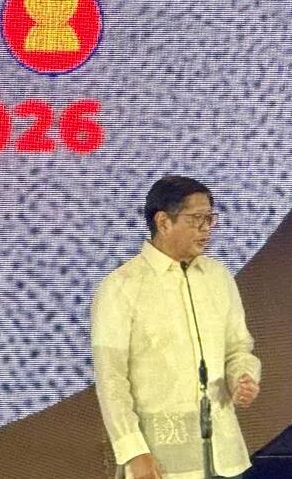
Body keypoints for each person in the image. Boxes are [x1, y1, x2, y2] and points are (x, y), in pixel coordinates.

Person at [90, 176, 261, 479]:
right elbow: (111, 380)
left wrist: (242, 376)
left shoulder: (217, 276)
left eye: (210, 218)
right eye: (197, 219)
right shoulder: (121, 286)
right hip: (160, 461)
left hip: (224, 455)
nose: (206, 228)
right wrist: (134, 453)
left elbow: (238, 347)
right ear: (163, 222)